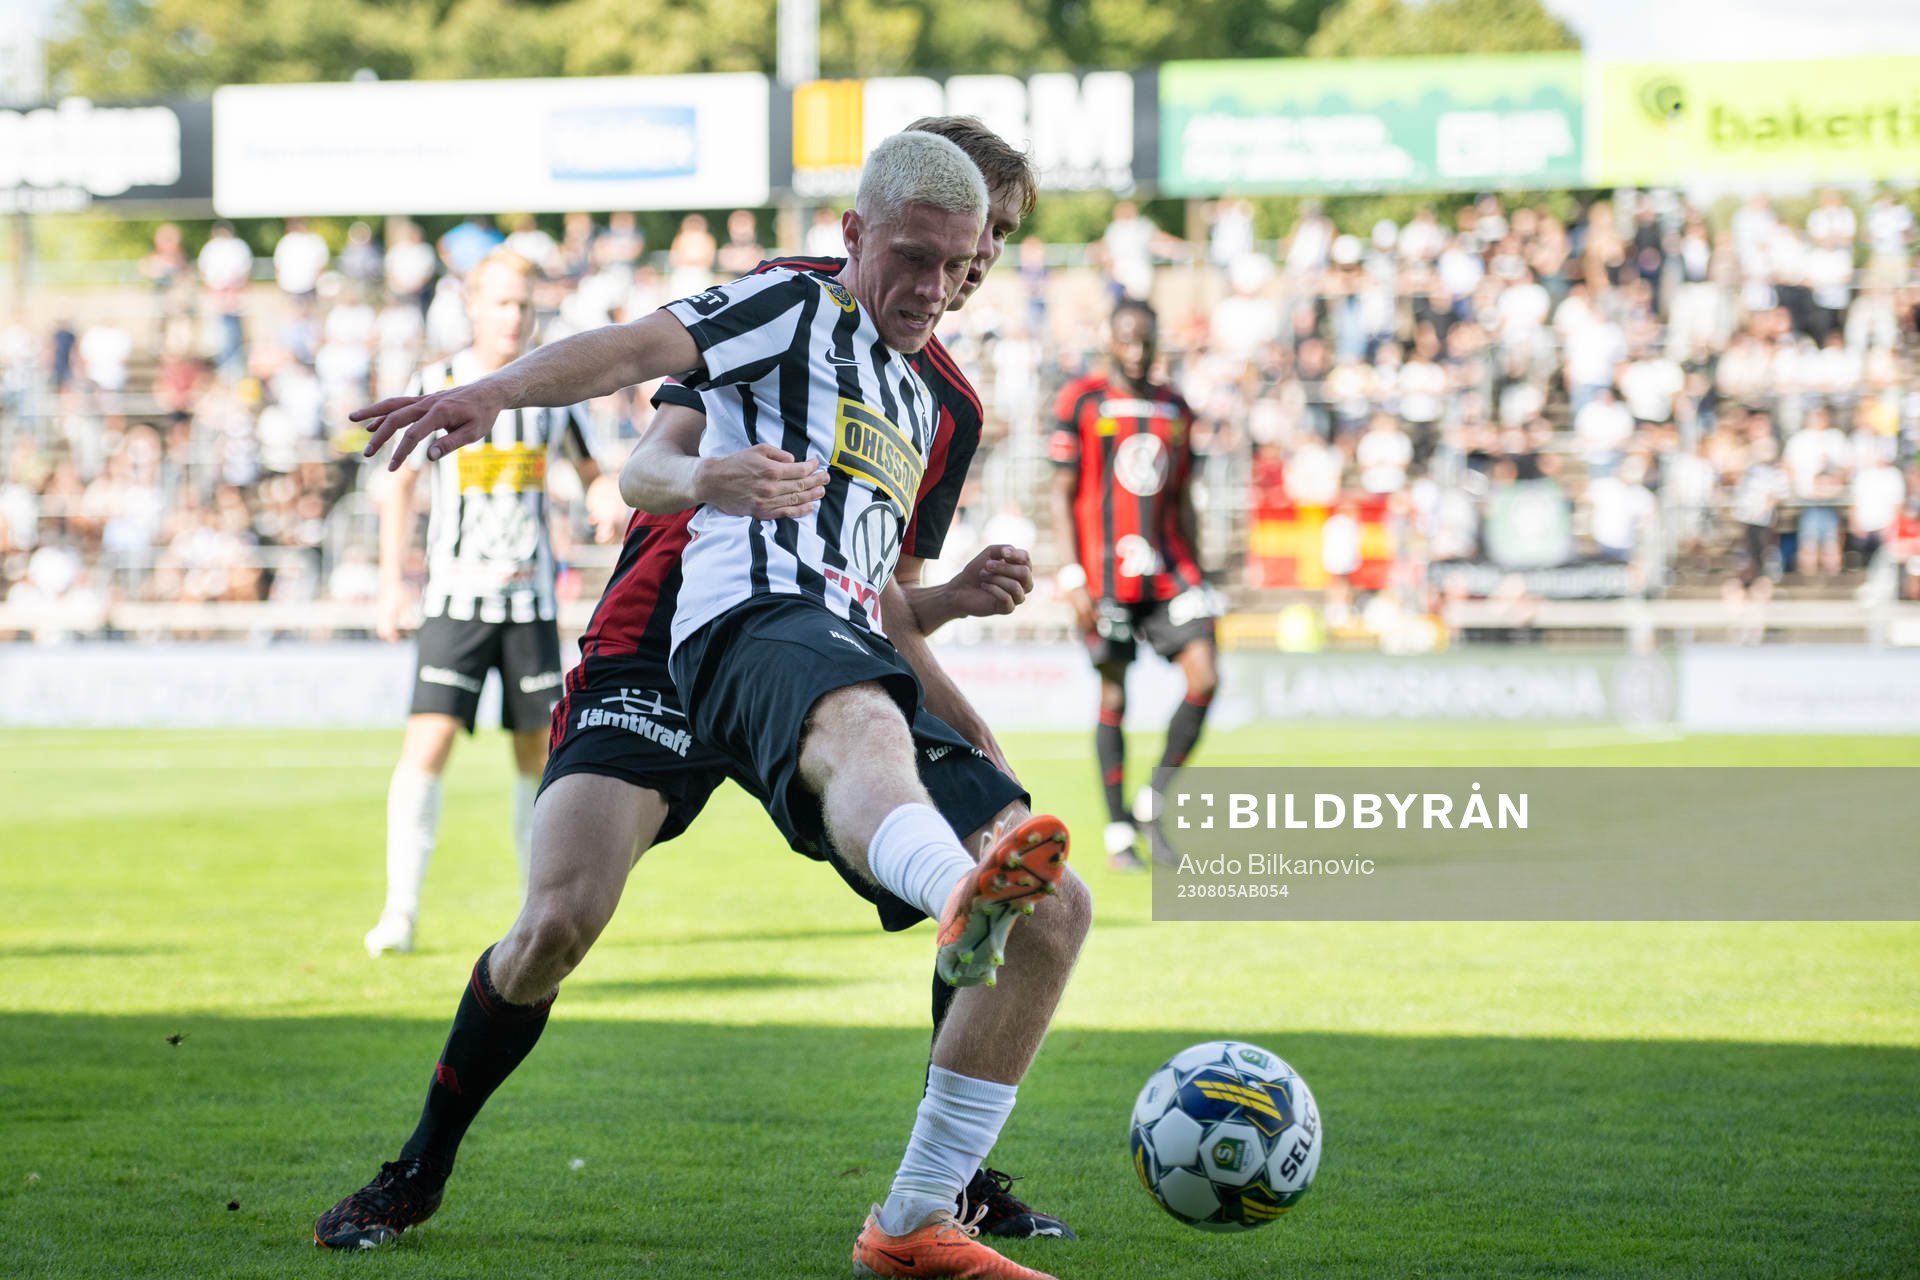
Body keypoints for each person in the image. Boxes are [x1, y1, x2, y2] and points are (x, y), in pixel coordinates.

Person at [323, 129, 1087, 1280]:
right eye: (936, 248)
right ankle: (420, 1165)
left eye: (988, 249)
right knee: (558, 921)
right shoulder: (785, 310)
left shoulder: (944, 406)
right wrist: (510, 401)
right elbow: (647, 458)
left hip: (817, 639)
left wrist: (951, 619)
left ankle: (944, 1185)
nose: (959, 276)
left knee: (1025, 874)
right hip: (669, 641)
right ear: (871, 231)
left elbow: (873, 593)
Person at [362, 248, 603, 958]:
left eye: (524, 305)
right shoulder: (435, 381)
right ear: (472, 306)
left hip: (528, 605)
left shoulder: (555, 391)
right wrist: (389, 582)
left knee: (536, 756)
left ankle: (540, 911)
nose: (514, 316)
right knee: (427, 744)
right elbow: (399, 484)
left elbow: (590, 472)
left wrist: (599, 498)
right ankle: (400, 912)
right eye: (501, 303)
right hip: (455, 600)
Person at [1049, 300, 1219, 872]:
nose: (1137, 352)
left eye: (1146, 341)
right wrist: (1072, 576)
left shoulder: (1176, 408)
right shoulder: (1082, 401)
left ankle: (1154, 800)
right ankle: (1120, 830)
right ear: (1109, 340)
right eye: (1127, 340)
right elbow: (1060, 494)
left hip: (1171, 568)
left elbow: (1185, 496)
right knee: (1114, 696)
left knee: (1206, 676)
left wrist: (1202, 570)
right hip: (1104, 576)